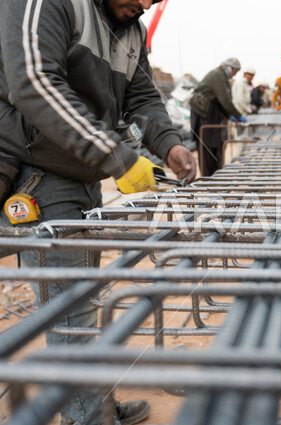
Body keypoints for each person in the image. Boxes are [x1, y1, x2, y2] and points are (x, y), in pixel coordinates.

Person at [0, 1, 197, 424]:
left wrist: (168, 143)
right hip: (31, 169)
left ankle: (91, 405)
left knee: (82, 297)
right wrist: (119, 158)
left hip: (79, 170)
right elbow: (33, 82)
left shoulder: (131, 28)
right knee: (71, 305)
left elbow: (141, 96)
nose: (146, 4)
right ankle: (88, 416)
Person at [189, 58, 244, 176]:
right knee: (207, 144)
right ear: (229, 68)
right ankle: (208, 176)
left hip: (210, 111)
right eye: (235, 71)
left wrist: (230, 115)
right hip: (203, 111)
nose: (234, 74)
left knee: (215, 143)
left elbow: (223, 100)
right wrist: (237, 115)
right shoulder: (217, 75)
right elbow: (225, 100)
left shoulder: (222, 76)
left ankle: (215, 172)